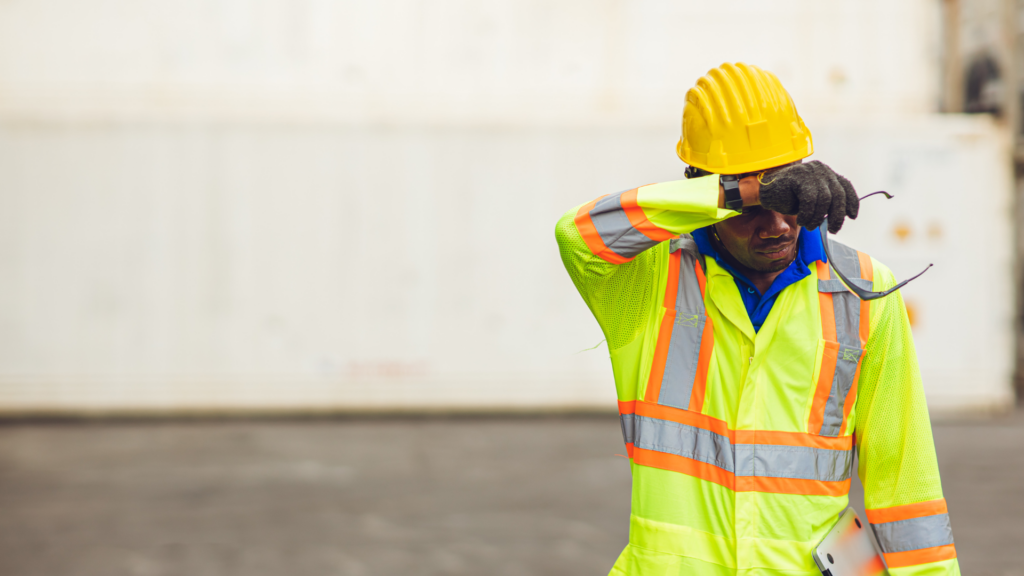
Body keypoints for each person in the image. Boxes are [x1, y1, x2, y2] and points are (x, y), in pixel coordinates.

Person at [555, 63, 959, 576]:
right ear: (704, 193)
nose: (777, 223)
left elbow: (907, 487)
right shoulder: (650, 278)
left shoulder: (863, 290)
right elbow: (577, 234)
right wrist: (736, 195)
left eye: (786, 197)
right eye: (756, 205)